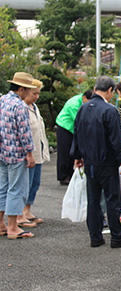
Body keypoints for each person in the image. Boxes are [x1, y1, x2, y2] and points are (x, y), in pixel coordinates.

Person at [72, 76, 121, 249]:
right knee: (112, 200)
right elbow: (116, 139)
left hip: (89, 162)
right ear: (109, 91)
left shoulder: (83, 109)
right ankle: (117, 237)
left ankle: (95, 237)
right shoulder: (109, 110)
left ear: (94, 88)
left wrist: (77, 156)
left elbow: (77, 133)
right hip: (107, 162)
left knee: (93, 200)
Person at [0, 72, 36, 239]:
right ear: (21, 89)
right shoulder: (19, 106)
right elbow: (24, 133)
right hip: (16, 154)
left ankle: (1, 224)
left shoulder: (2, 100)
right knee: (16, 189)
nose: (29, 93)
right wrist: (30, 154)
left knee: (2, 188)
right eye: (28, 89)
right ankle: (13, 227)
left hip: (2, 152)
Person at [17, 79, 49, 226]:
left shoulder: (34, 107)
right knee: (25, 184)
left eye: (38, 93)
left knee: (34, 183)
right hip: (28, 153)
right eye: (34, 93)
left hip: (38, 151)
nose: (36, 96)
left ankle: (28, 210)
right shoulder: (21, 107)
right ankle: (20, 213)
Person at [55, 89, 93, 185]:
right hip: (65, 127)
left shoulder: (84, 102)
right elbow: (79, 121)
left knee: (72, 152)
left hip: (73, 129)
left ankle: (70, 173)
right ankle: (63, 176)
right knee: (64, 152)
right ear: (84, 97)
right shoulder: (74, 104)